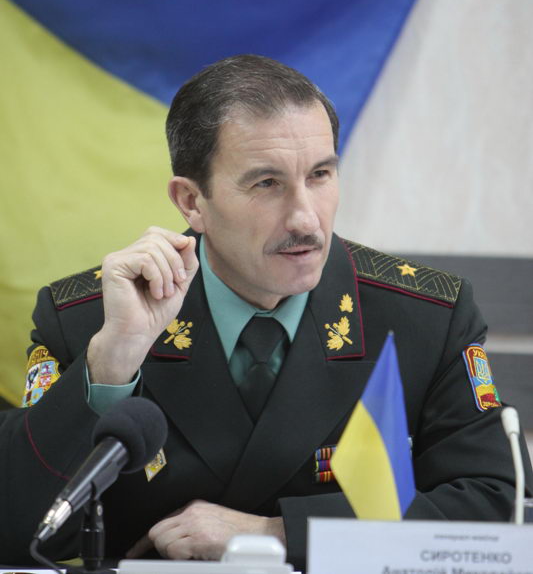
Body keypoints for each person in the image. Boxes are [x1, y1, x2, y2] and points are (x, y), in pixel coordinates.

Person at [1, 55, 531, 570]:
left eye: (320, 175)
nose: (305, 218)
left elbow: (498, 507)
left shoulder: (424, 316)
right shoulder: (88, 318)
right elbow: (16, 532)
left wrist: (275, 533)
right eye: (266, 183)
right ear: (191, 202)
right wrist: (111, 364)